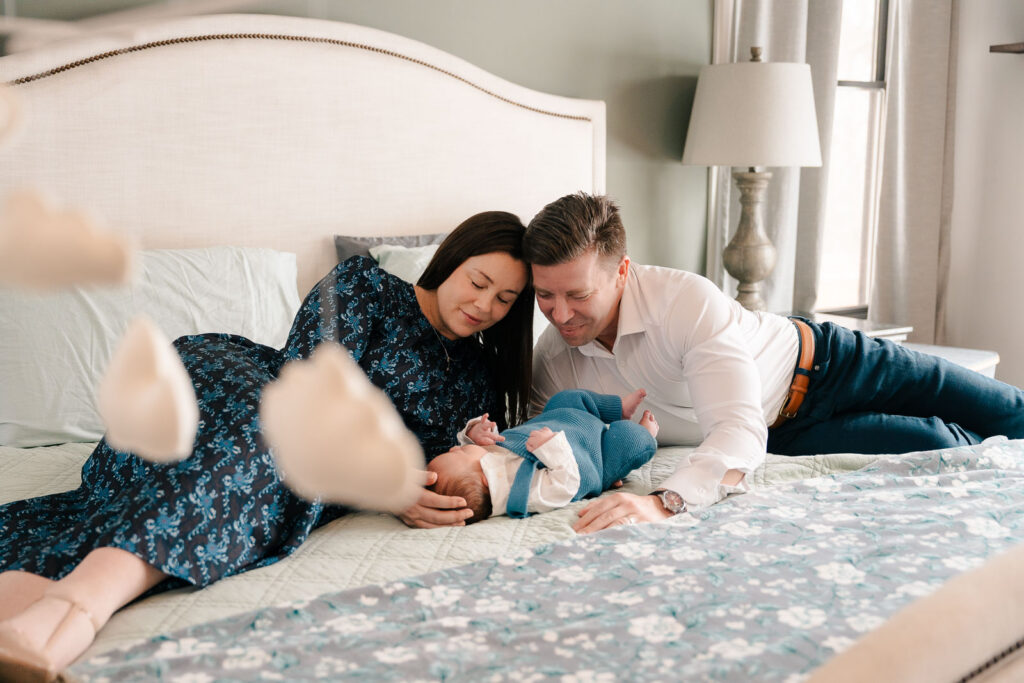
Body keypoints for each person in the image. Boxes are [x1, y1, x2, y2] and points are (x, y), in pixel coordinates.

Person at [0, 211, 535, 678]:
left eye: (505, 298)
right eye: (478, 281)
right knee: (272, 438)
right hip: (238, 387)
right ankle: (81, 607)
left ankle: (56, 608)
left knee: (271, 471)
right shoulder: (364, 285)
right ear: (450, 259)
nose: (484, 305)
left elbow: (442, 460)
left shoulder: (480, 375)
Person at [524, 192, 1024, 534]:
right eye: (544, 295)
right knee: (942, 448)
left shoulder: (683, 302)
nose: (561, 314)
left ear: (622, 272)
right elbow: (545, 449)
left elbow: (733, 426)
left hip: (835, 363)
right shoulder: (553, 360)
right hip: (784, 436)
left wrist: (664, 503)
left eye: (578, 294)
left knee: (1007, 412)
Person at [429, 388, 659, 521]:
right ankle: (645, 432)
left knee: (566, 398)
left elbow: (489, 449)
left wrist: (476, 433)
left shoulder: (489, 464)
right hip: (595, 454)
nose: (454, 447)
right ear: (483, 477)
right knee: (631, 442)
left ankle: (617, 408)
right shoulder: (525, 494)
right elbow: (566, 484)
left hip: (561, 419)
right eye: (457, 453)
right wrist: (551, 447)